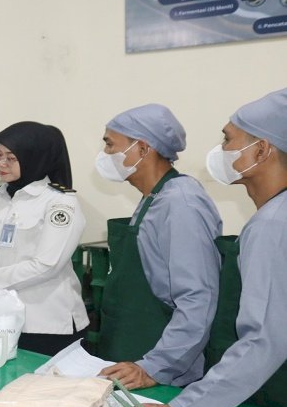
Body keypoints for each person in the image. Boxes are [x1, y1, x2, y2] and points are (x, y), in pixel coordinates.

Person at [143, 89, 287, 407]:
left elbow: (264, 338)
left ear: (262, 149)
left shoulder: (273, 223)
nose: (221, 150)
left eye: (228, 139)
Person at [95, 104, 222, 390]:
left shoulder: (182, 203)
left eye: (110, 145)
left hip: (161, 367)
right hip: (133, 354)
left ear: (142, 149)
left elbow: (197, 298)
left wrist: (155, 366)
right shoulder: (154, 197)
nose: (104, 155)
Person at [0, 121, 88, 356]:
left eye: (11, 157)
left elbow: (46, 265)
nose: (0, 163)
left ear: (33, 157)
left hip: (44, 324)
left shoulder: (59, 203)